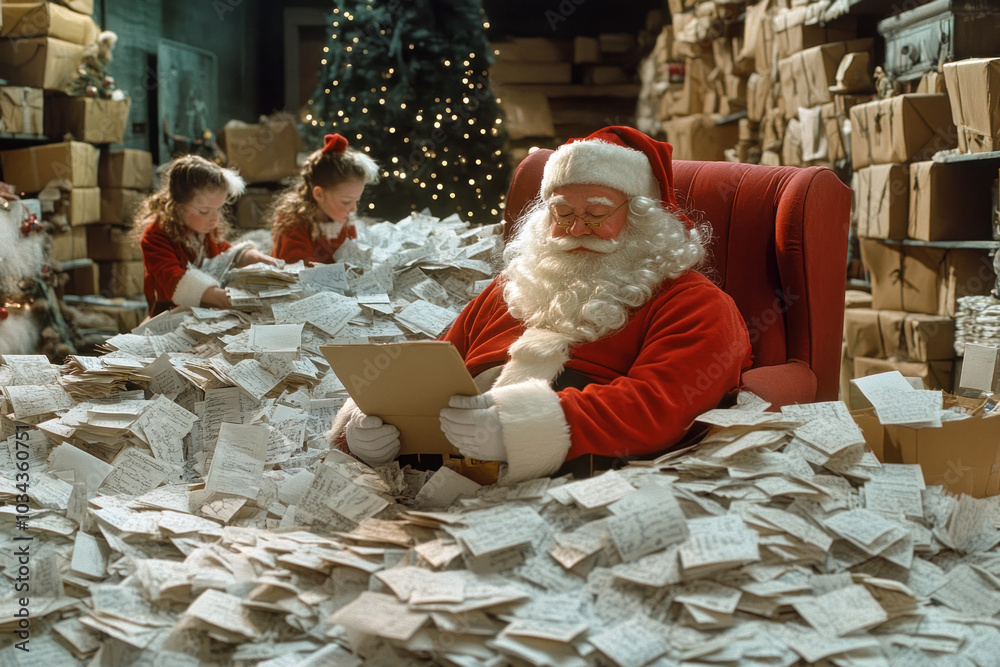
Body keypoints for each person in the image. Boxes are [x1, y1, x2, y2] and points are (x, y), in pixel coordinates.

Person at [330, 126, 753, 482]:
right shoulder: (511, 287)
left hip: (574, 483)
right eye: (562, 212)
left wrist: (524, 426)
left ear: (643, 219)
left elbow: (661, 403)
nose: (576, 228)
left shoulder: (695, 303)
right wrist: (369, 427)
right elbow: (435, 367)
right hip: (436, 482)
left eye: (598, 212)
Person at [137, 154, 278, 316]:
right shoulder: (155, 236)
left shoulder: (204, 229)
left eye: (219, 209)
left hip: (205, 311)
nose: (215, 218)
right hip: (169, 313)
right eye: (204, 211)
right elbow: (173, 279)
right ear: (178, 208)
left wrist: (252, 256)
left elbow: (225, 255)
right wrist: (224, 298)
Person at [270, 133, 380, 265]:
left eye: (356, 201)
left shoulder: (345, 220)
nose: (353, 209)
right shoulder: (293, 222)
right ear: (319, 194)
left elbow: (352, 255)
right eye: (346, 201)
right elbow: (295, 268)